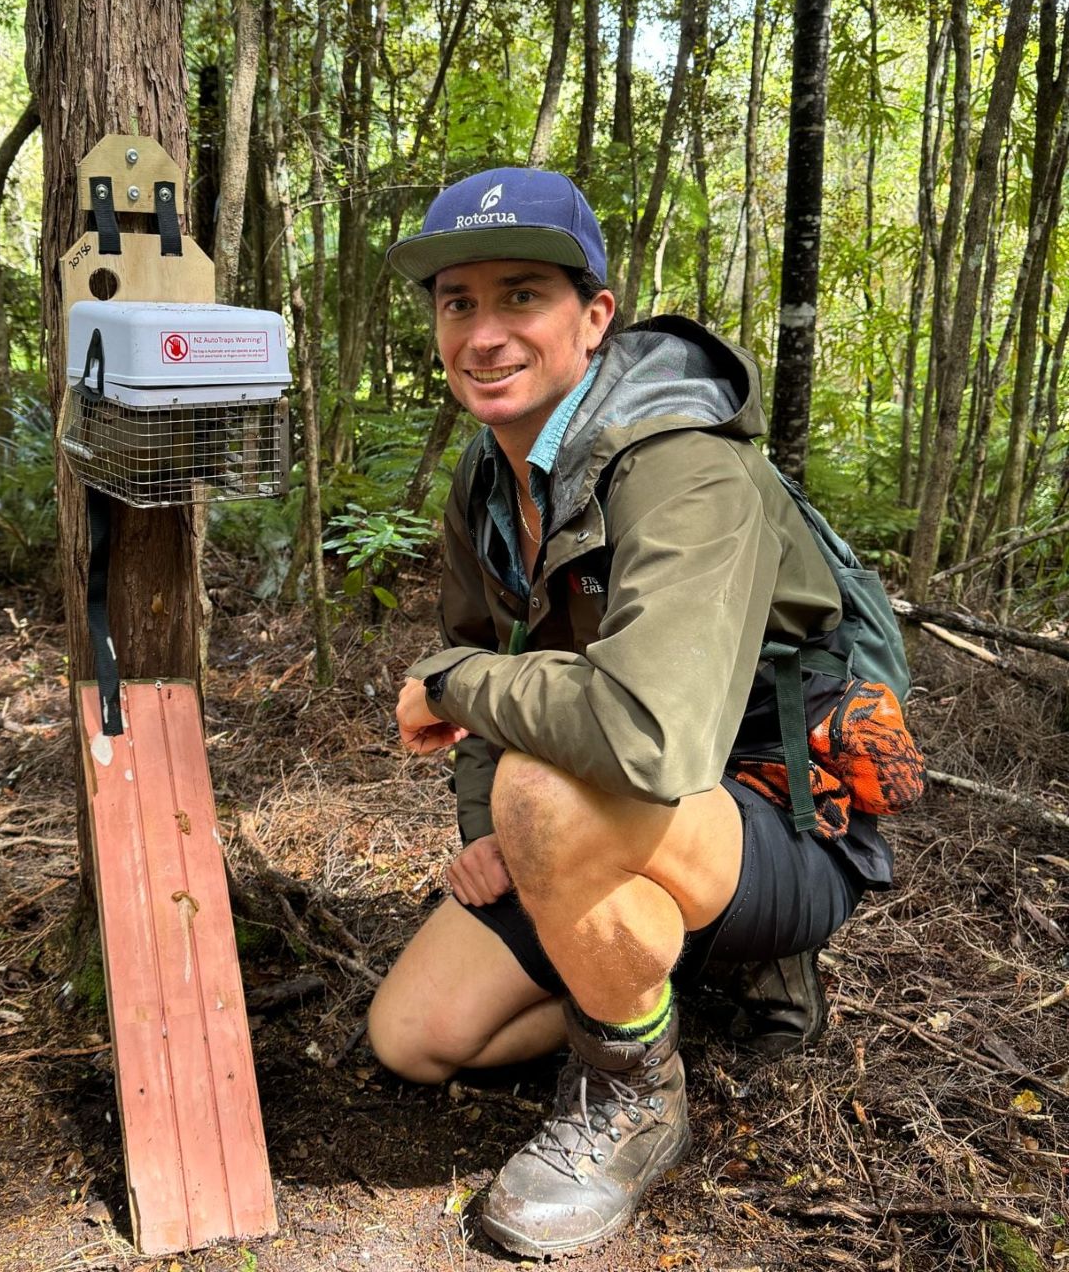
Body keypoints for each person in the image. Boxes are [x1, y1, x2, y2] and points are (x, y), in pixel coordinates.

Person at [366, 167, 899, 1259]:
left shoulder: (683, 466)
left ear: (594, 315)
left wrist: (459, 697)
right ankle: (656, 971)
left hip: (776, 812)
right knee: (415, 1037)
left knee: (547, 787)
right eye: (456, 301)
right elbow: (485, 652)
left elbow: (643, 733)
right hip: (621, 808)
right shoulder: (487, 477)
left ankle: (634, 1095)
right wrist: (485, 836)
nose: (483, 333)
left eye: (521, 295)